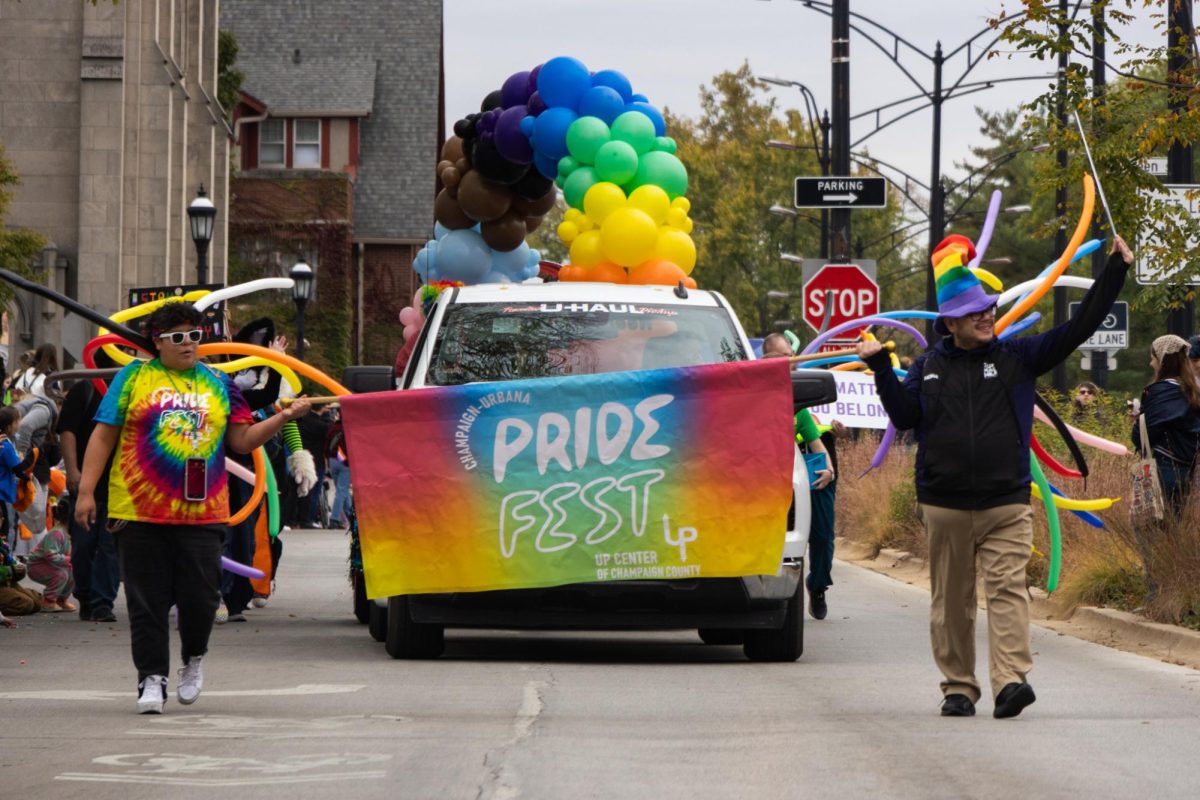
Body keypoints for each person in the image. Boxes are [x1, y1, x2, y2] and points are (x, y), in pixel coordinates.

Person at [857, 233, 1134, 720]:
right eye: (973, 312)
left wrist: (1114, 270)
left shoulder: (1018, 359)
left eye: (987, 308)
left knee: (1008, 590)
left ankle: (1010, 682)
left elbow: (1079, 326)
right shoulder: (927, 367)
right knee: (952, 603)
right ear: (950, 323)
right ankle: (958, 689)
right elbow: (903, 417)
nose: (986, 316)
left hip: (1005, 502)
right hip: (944, 504)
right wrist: (882, 366)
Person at [74, 301, 312, 715]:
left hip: (203, 511)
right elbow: (103, 435)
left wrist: (281, 419)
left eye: (195, 336)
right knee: (145, 601)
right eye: (178, 338)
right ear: (158, 342)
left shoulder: (220, 383)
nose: (188, 345)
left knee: (201, 598)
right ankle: (151, 678)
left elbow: (240, 441)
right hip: (138, 508)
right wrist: (86, 491)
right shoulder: (133, 377)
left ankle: (193, 657)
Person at [761, 333, 835, 619]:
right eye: (785, 356)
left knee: (823, 537)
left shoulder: (798, 408)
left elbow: (817, 445)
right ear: (766, 359)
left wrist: (828, 470)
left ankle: (817, 585)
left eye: (792, 354)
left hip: (796, 476)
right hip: (761, 480)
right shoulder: (752, 396)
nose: (793, 361)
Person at [58, 366, 121, 622]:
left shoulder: (128, 388)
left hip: (118, 485)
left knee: (110, 547)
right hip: (86, 484)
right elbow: (67, 431)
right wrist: (73, 470)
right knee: (84, 546)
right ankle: (85, 596)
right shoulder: (85, 388)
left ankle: (103, 602)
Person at [1131, 335, 1200, 516]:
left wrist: (1138, 421)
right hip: (1186, 468)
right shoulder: (1191, 390)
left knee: (1147, 528)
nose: (1151, 363)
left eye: (1153, 358)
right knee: (1176, 525)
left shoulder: (1163, 391)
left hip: (1162, 469)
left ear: (1163, 361)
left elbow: (1142, 433)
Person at [26, 522, 75, 612]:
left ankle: (61, 600)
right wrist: (71, 559)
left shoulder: (72, 532)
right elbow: (50, 555)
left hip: (55, 564)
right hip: (37, 565)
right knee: (61, 574)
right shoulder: (56, 533)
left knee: (74, 573)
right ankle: (48, 601)